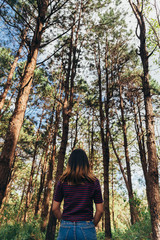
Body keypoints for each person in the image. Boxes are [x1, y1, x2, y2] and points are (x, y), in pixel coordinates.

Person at [52, 148, 103, 240]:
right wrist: (91, 224)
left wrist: (63, 222)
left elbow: (55, 208)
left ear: (70, 163)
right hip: (86, 226)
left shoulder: (62, 181)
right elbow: (100, 210)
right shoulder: (94, 181)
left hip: (66, 226)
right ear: (86, 163)